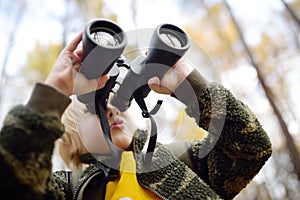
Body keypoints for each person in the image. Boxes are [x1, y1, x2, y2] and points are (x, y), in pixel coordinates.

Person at [0, 31, 272, 200]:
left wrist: (191, 87)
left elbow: (251, 149)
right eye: (93, 107)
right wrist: (56, 89)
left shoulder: (184, 163)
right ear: (70, 140)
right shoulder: (67, 191)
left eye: (116, 101)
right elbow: (12, 182)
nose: (111, 109)